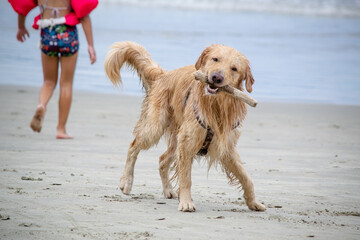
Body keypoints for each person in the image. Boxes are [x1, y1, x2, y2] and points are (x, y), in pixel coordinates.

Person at [13, 0, 97, 139]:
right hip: (67, 34)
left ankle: (42, 104)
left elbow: (22, 6)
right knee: (66, 83)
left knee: (48, 81)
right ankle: (61, 129)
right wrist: (91, 45)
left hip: (47, 33)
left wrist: (21, 27)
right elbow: (84, 15)